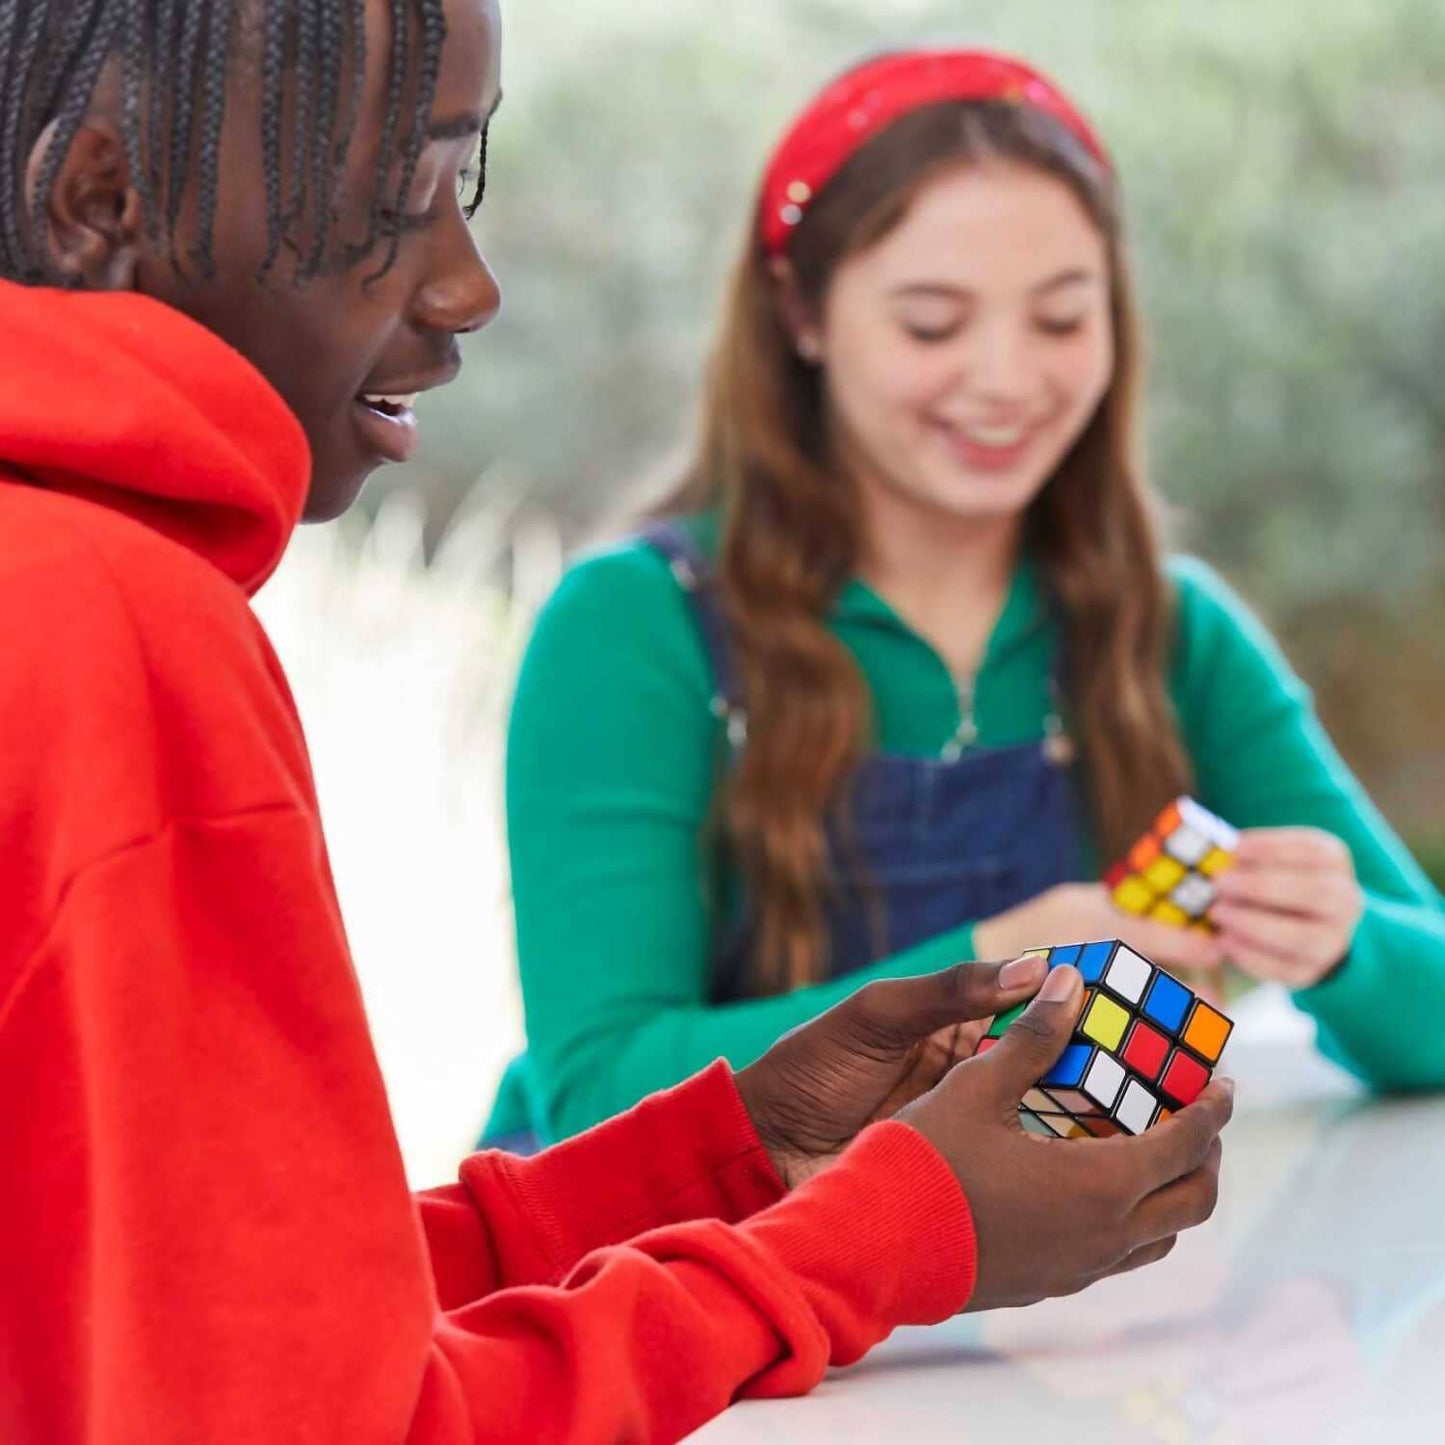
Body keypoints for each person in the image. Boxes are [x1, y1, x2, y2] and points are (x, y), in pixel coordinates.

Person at [0, 7, 1233, 1443]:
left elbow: (213, 1326)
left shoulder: (58, 579)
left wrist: (734, 1157)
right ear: (100, 200)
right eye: (404, 201)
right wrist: (891, 1233)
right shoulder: (118, 625)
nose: (468, 289)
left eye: (465, 189)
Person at [491, 47, 1445, 1147]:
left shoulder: (1171, 631)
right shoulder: (630, 628)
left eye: (1058, 318)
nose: (1003, 378)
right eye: (932, 323)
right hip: (663, 1296)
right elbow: (594, 1098)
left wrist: (1341, 943)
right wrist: (985, 967)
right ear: (799, 316)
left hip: (1019, 1293)